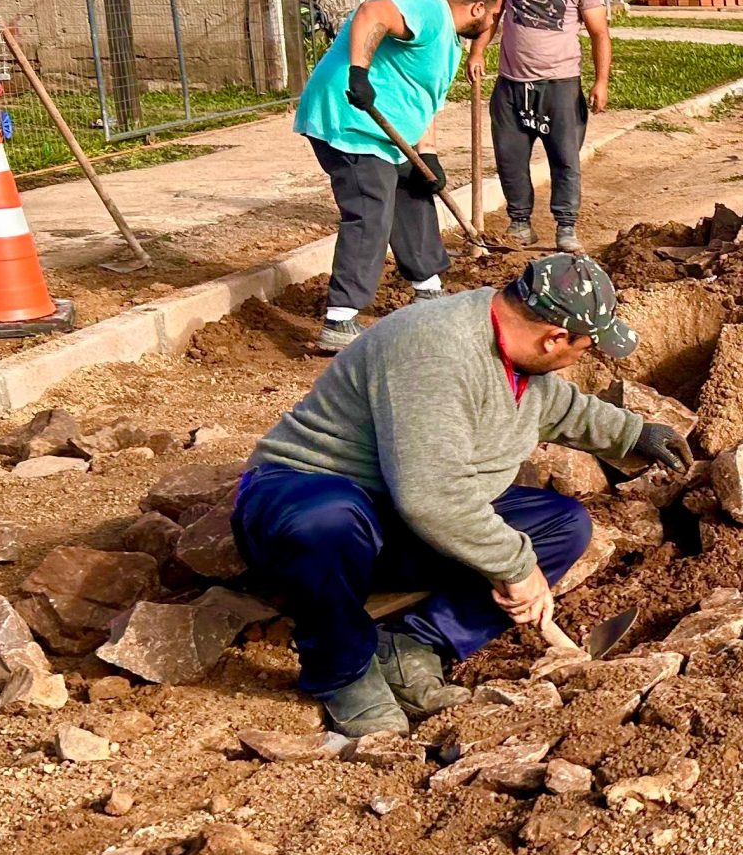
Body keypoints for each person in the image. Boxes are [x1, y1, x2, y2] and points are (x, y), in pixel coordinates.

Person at [232, 253, 692, 736]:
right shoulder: (436, 350)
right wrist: (515, 568)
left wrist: (634, 434)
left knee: (562, 525)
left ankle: (411, 644)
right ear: (554, 338)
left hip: (396, 517)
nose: (584, 358)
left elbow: (559, 408)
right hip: (307, 499)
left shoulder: (513, 345)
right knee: (326, 522)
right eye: (585, 348)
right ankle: (343, 673)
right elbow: (430, 496)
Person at [293, 0, 502, 354]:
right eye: (493, 18)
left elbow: (421, 99)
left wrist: (428, 156)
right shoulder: (428, 8)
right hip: (350, 121)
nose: (492, 25)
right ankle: (340, 319)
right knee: (371, 207)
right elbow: (373, 13)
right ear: (477, 8)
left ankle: (428, 290)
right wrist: (359, 73)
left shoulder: (447, 42)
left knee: (414, 189)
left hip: (388, 136)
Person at [493, 0, 611, 254]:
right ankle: (519, 224)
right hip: (511, 83)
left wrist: (600, 81)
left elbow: (599, 33)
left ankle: (566, 227)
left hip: (560, 84)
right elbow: (494, 14)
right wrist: (474, 53)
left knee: (565, 159)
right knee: (510, 158)